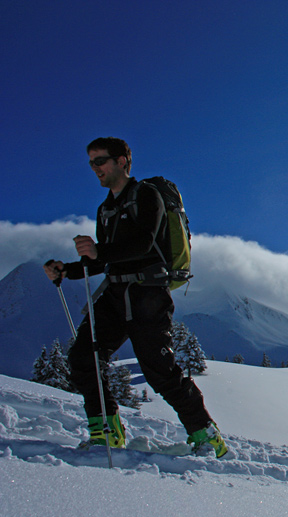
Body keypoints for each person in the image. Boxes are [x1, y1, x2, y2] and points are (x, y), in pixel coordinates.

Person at [43, 137, 228, 458]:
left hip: (147, 293)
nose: (95, 168)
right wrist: (68, 271)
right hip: (116, 293)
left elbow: (144, 244)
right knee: (83, 358)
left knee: (159, 371)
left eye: (101, 161)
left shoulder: (146, 195)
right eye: (91, 162)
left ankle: (207, 435)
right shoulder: (106, 209)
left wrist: (98, 251)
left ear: (123, 162)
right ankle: (105, 432)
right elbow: (105, 260)